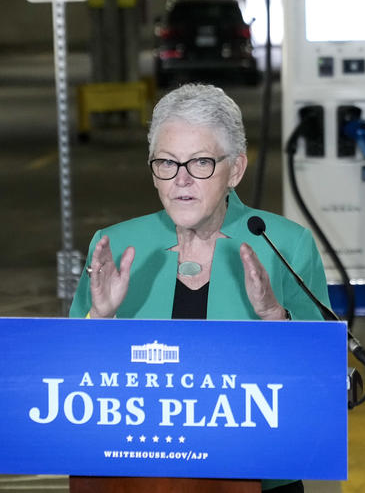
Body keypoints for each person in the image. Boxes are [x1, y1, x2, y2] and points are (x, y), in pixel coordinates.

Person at [70, 82, 330, 493]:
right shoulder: (115, 245)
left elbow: (321, 377)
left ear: (236, 170)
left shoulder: (283, 244)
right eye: (167, 163)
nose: (181, 180)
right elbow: (70, 378)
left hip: (261, 477)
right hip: (142, 477)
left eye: (201, 163)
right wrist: (99, 319)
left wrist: (275, 318)